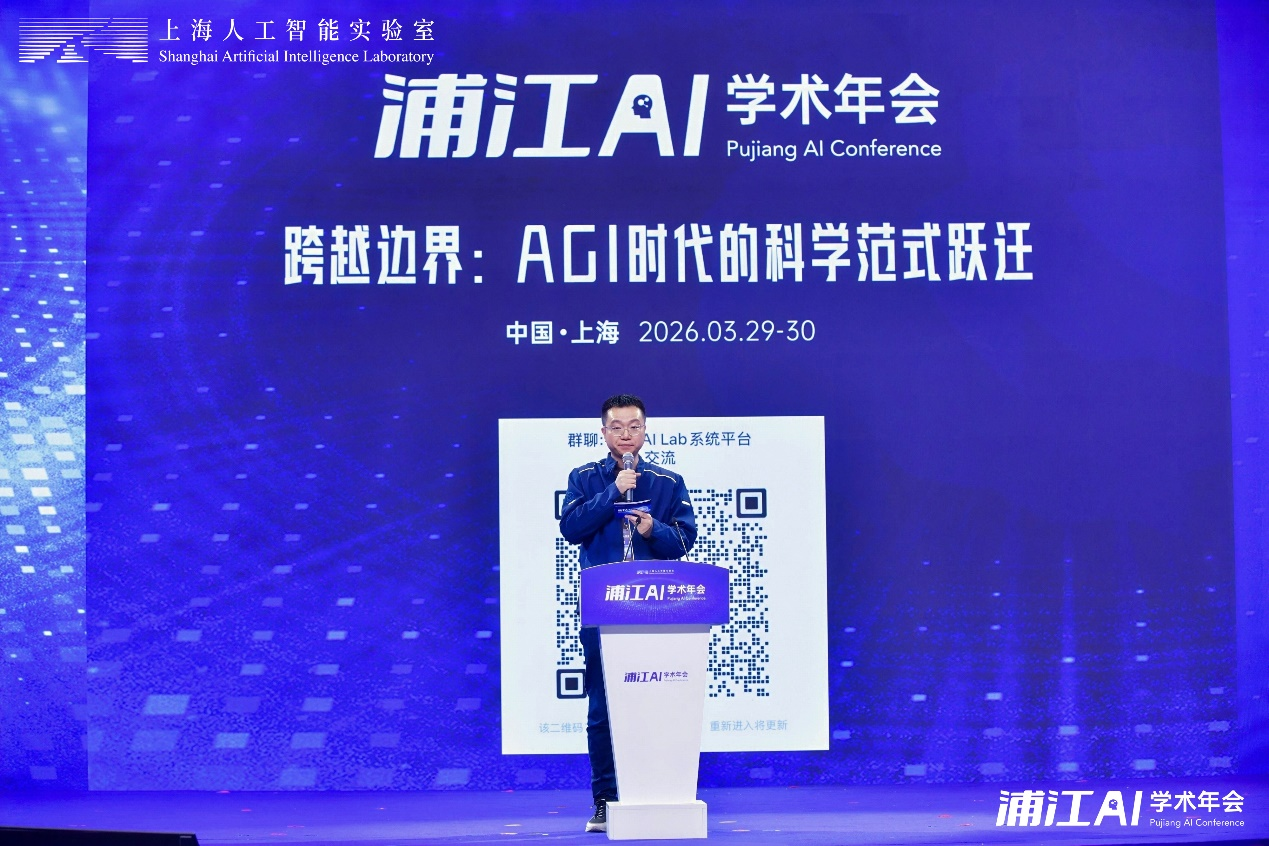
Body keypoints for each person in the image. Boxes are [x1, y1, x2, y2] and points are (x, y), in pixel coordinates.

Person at [559, 394, 697, 833]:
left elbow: (683, 542)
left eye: (633, 427)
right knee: (603, 707)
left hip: (657, 610)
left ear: (645, 431)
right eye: (616, 428)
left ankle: (660, 794)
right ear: (603, 433)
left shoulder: (668, 481)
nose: (625, 435)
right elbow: (571, 528)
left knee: (660, 702)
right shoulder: (583, 478)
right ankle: (605, 801)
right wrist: (613, 492)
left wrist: (653, 529)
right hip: (603, 609)